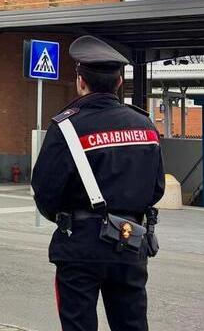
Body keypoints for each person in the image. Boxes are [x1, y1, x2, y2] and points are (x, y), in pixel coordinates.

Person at [32, 35, 165, 331]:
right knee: (132, 324)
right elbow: (157, 188)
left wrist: (70, 219)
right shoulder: (145, 125)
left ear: (81, 81)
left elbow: (45, 192)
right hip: (130, 241)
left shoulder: (66, 127)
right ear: (119, 83)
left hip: (80, 244)